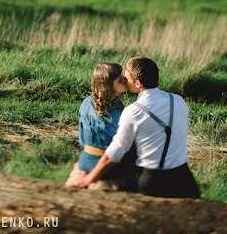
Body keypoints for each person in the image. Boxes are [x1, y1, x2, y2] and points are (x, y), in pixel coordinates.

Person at [66, 56, 200, 198]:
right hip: (183, 177)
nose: (124, 78)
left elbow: (116, 151)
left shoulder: (132, 111)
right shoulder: (178, 100)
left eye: (126, 75)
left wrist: (88, 178)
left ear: (137, 83)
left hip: (152, 179)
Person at [64, 62, 136, 191]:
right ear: (108, 86)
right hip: (107, 168)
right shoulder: (120, 113)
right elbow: (124, 147)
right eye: (120, 79)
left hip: (85, 160)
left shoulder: (86, 103)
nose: (125, 80)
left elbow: (82, 140)